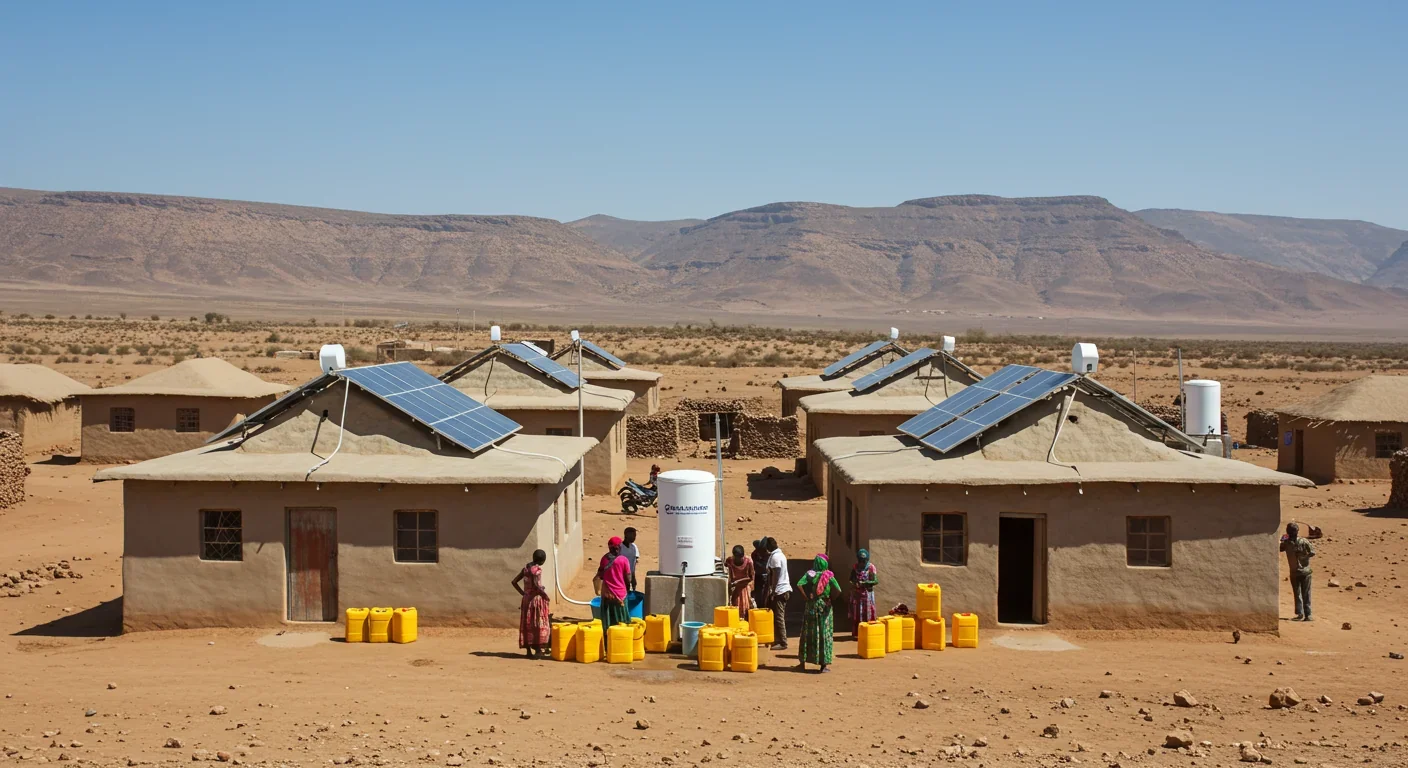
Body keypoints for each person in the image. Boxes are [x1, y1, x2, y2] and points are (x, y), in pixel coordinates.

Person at [796, 553, 841, 673]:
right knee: (823, 633)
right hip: (824, 607)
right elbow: (838, 590)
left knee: (807, 633)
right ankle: (823, 665)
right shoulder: (829, 576)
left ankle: (802, 662)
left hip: (811, 606)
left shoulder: (810, 574)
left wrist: (806, 597)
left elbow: (799, 584)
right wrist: (831, 599)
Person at [511, 550, 551, 659]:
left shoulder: (526, 569)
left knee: (526, 623)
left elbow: (514, 582)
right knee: (537, 623)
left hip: (526, 599)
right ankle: (538, 649)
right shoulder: (536, 570)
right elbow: (537, 586)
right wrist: (545, 596)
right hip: (535, 600)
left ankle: (528, 651)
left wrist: (523, 593)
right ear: (542, 561)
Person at [1280, 522, 1315, 621]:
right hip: (1298, 571)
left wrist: (1304, 556)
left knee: (1301, 593)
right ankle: (1304, 614)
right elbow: (1280, 548)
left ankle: (1304, 614)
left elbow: (1312, 552)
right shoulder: (1288, 541)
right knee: (1301, 593)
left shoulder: (1300, 541)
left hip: (1302, 571)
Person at [599, 536, 633, 634]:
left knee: (608, 620)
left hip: (607, 594)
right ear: (619, 547)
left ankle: (607, 641)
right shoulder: (623, 560)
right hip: (620, 595)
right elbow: (628, 578)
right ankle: (621, 640)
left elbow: (601, 575)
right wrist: (627, 588)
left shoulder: (604, 559)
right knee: (622, 621)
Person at [764, 537, 791, 650]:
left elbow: (776, 574)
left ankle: (783, 642)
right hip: (782, 589)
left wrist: (773, 591)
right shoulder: (780, 555)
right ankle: (777, 639)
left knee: (779, 617)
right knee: (776, 616)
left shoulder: (775, 557)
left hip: (780, 591)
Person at [848, 548, 877, 638]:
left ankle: (868, 633)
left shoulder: (871, 568)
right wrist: (854, 584)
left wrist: (865, 583)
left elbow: (875, 581)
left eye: (863, 561)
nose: (862, 563)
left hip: (868, 595)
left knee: (867, 613)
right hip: (857, 595)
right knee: (857, 614)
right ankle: (858, 633)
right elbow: (850, 579)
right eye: (860, 560)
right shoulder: (855, 567)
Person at [725, 544, 754, 618]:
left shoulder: (748, 562)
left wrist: (738, 582)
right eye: (737, 558)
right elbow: (725, 570)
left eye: (741, 558)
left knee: (745, 608)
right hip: (734, 589)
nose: (739, 559)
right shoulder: (729, 561)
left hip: (744, 588)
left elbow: (751, 577)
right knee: (734, 608)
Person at [750, 539, 770, 607]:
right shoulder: (754, 554)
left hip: (765, 575)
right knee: (759, 593)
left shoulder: (767, 554)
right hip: (759, 575)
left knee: (766, 593)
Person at [622, 527, 641, 594]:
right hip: (621, 576)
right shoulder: (619, 548)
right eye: (632, 535)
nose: (634, 537)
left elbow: (634, 562)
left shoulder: (634, 547)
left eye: (635, 535)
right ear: (626, 535)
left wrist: (633, 577)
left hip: (630, 574)